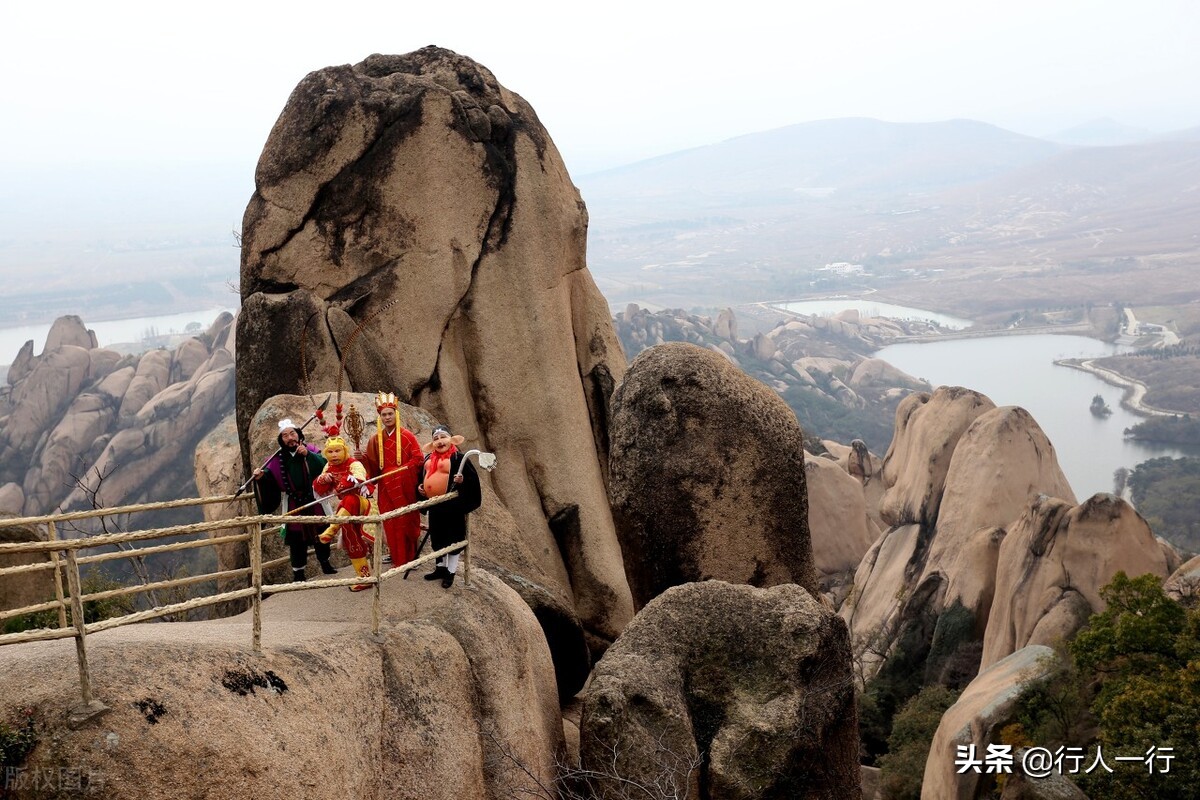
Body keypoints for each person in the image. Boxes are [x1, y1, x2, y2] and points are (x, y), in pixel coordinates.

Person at [252, 419, 337, 582]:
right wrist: (262, 477)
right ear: (281, 440)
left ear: (299, 435)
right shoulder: (275, 460)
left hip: (314, 500)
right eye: (285, 435)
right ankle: (299, 573)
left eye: (292, 433)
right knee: (297, 541)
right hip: (293, 503)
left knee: (321, 533)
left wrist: (308, 455)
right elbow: (271, 478)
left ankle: (325, 563)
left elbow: (324, 466)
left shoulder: (310, 450)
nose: (290, 438)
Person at [358, 392, 424, 568]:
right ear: (379, 417)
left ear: (396, 414)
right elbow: (373, 467)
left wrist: (400, 472)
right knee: (390, 521)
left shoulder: (407, 435)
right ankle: (396, 556)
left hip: (404, 485)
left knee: (406, 519)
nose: (387, 417)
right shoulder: (375, 439)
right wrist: (362, 458)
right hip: (386, 487)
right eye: (383, 414)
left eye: (389, 413)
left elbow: (418, 459)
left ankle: (411, 558)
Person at [416, 424, 482, 588]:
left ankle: (450, 572)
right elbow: (421, 478)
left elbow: (473, 481)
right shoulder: (427, 459)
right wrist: (421, 489)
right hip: (435, 506)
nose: (439, 441)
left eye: (443, 437)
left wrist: (462, 482)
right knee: (437, 539)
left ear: (451, 439)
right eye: (435, 439)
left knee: (453, 540)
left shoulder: (459, 459)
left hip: (453, 507)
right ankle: (440, 568)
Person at [313, 433, 375, 592]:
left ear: (344, 450)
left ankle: (332, 528)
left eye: (337, 451)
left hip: (364, 503)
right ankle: (364, 578)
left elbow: (360, 480)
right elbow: (320, 491)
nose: (334, 455)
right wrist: (322, 480)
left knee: (349, 499)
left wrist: (344, 482)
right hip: (346, 512)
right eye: (331, 452)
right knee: (350, 539)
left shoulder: (354, 464)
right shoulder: (328, 467)